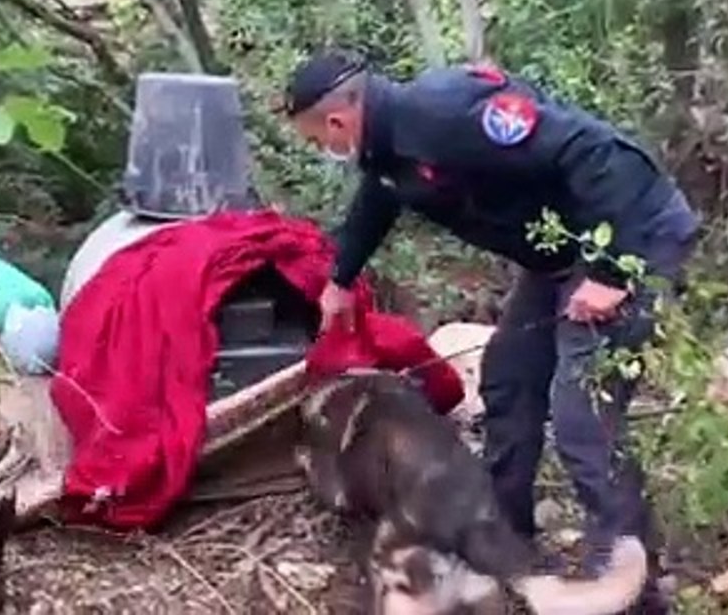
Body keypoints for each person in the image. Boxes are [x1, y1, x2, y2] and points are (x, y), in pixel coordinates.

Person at [280, 48, 699, 613]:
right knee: (507, 381)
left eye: (315, 140)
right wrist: (340, 279)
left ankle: (633, 586)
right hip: (557, 262)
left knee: (583, 415)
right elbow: (379, 198)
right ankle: (502, 546)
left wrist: (610, 273)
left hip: (628, 242)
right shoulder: (385, 149)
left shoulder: (444, 113)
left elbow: (598, 154)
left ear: (337, 120)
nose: (321, 150)